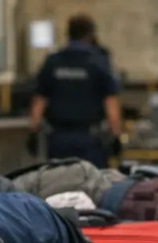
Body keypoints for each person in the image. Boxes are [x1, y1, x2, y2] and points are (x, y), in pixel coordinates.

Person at [29, 14, 123, 168]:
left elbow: (40, 99)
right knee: (91, 185)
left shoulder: (53, 62)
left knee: (58, 184)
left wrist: (33, 131)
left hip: (58, 139)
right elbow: (110, 102)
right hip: (90, 141)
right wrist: (116, 134)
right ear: (91, 35)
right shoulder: (99, 62)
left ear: (69, 33)